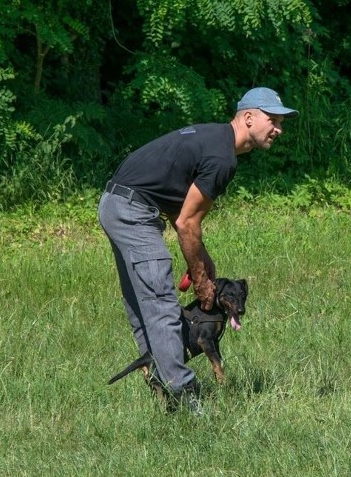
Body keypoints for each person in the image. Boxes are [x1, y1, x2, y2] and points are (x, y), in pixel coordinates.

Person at [98, 87, 298, 414]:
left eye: (280, 122)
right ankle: (186, 395)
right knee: (161, 299)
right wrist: (202, 280)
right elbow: (187, 223)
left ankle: (161, 381)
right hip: (132, 211)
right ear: (248, 118)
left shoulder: (214, 139)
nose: (278, 129)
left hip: (117, 203)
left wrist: (202, 260)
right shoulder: (222, 158)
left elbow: (181, 210)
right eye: (272, 120)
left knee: (142, 301)